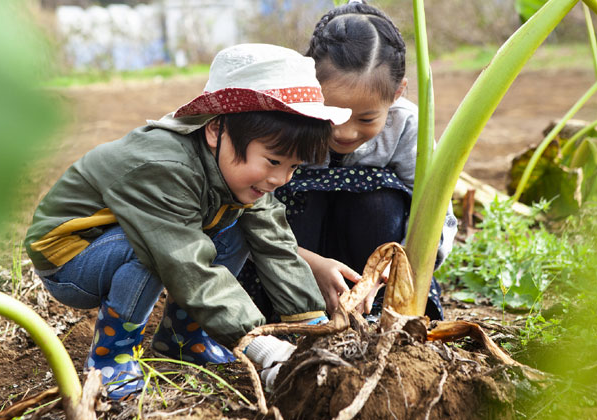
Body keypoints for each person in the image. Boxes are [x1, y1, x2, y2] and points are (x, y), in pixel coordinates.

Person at [24, 43, 351, 399]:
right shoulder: (164, 168)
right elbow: (183, 262)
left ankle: (183, 341)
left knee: (240, 228)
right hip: (70, 255)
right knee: (154, 252)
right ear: (215, 131)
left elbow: (276, 244)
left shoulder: (239, 176)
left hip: (123, 240)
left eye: (293, 167)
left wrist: (313, 326)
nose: (280, 179)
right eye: (273, 161)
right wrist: (263, 347)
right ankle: (111, 359)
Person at [237, 0, 457, 322]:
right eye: (332, 115)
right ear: (310, 86)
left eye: (366, 118)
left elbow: (435, 214)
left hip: (370, 272)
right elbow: (246, 208)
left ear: (397, 93)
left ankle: (370, 314)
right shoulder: (288, 118)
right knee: (290, 193)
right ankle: (297, 310)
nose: (344, 131)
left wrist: (392, 271)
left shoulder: (408, 126)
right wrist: (309, 262)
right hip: (288, 257)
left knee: (382, 199)